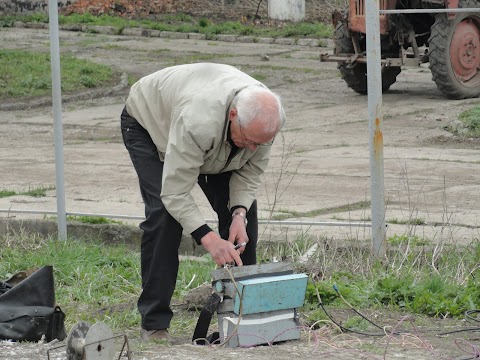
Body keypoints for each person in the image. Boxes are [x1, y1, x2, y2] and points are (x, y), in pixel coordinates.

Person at [120, 62, 286, 342]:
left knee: (244, 225)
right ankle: (154, 322)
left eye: (261, 142)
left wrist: (239, 213)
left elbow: (250, 171)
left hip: (213, 138)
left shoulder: (264, 120)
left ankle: (244, 318)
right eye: (249, 140)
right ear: (233, 115)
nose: (254, 149)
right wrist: (207, 238)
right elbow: (174, 192)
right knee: (164, 216)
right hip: (150, 125)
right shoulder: (197, 121)